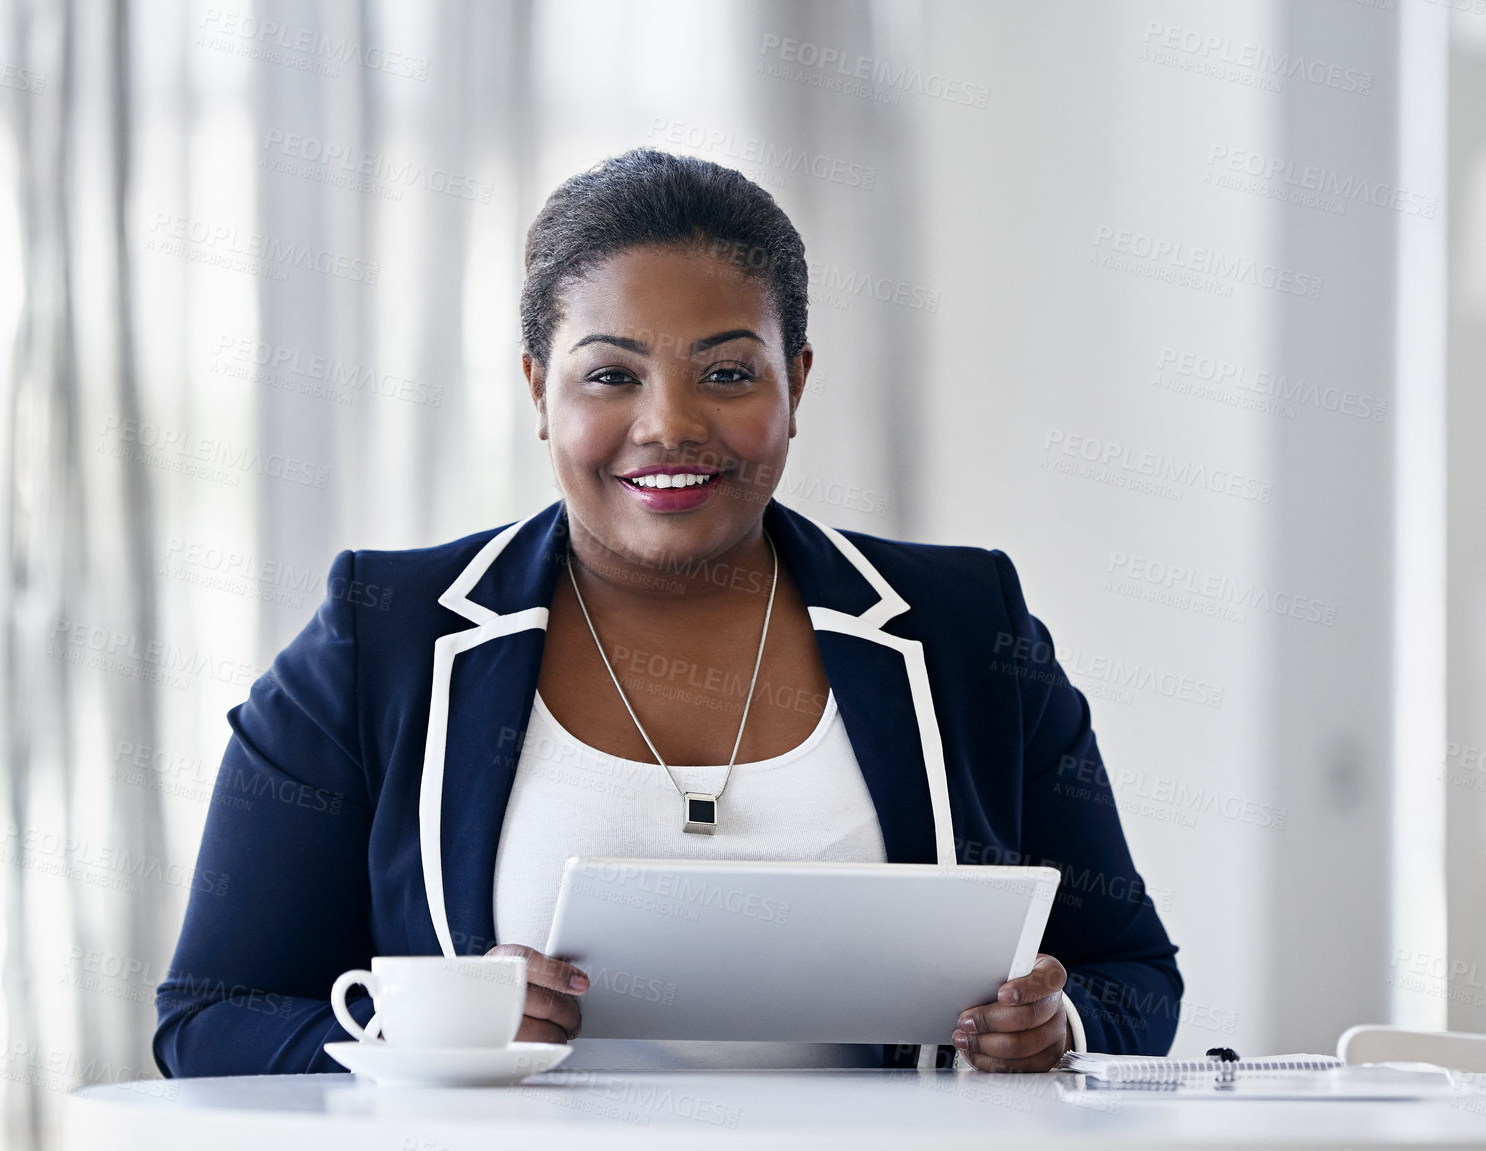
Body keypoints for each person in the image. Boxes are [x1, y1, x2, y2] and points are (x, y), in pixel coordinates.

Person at [152, 147, 1182, 1078]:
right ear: (537, 391)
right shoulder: (383, 635)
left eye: (728, 373)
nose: (671, 426)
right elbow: (209, 1018)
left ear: (798, 384)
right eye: (611, 375)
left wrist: (1061, 1027)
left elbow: (1130, 969)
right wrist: (426, 1036)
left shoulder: (963, 626)